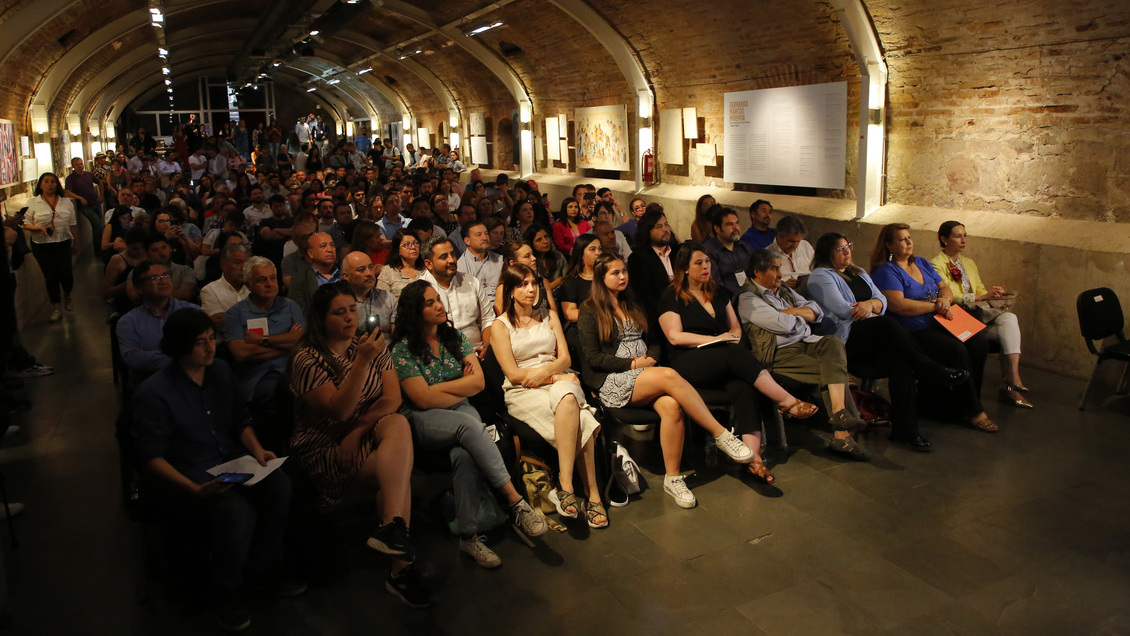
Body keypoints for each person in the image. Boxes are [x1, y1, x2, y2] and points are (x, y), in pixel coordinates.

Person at [132, 308, 303, 631]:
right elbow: (151, 457)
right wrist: (194, 489)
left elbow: (240, 421)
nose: (210, 348)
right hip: (189, 470)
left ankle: (262, 568)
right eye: (200, 343)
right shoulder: (155, 392)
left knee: (280, 485)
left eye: (212, 339)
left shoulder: (221, 372)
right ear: (181, 346)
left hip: (230, 457)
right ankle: (225, 589)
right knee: (234, 510)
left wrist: (258, 451)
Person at [391, 280, 548, 567]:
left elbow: (477, 383)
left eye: (438, 299)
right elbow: (421, 401)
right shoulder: (403, 349)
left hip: (460, 409)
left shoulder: (455, 338)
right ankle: (515, 501)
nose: (439, 305)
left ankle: (469, 536)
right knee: (469, 427)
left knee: (464, 454)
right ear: (414, 311)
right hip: (422, 419)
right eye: (429, 302)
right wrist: (455, 385)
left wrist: (436, 389)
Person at [287, 283, 424, 608]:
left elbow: (392, 398)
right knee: (396, 475)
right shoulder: (307, 358)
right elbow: (339, 410)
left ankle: (393, 531)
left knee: (399, 422)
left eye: (352, 309)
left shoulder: (368, 346)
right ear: (320, 319)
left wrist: (357, 432)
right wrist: (362, 361)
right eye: (340, 312)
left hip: (361, 437)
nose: (350, 317)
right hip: (326, 447)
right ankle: (400, 566)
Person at [579, 253, 750, 506]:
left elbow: (656, 341)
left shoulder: (633, 304)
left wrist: (649, 357)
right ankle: (721, 434)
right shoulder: (590, 310)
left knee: (672, 405)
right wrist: (633, 363)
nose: (623, 276)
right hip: (614, 380)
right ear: (601, 278)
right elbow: (593, 358)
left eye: (624, 270)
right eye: (615, 273)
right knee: (670, 374)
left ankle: (673, 479)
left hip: (647, 374)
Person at [658, 243, 819, 479]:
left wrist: (730, 337)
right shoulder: (671, 296)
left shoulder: (718, 292)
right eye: (699, 263)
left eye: (707, 262)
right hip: (687, 361)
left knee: (744, 385)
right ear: (684, 268)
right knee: (734, 355)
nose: (706, 267)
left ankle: (753, 459)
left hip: (722, 357)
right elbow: (675, 336)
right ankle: (786, 401)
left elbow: (735, 327)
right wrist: (716, 338)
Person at [807, 233, 968, 451]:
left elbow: (882, 300)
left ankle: (906, 431)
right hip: (845, 340)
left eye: (848, 246)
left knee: (901, 362)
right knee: (887, 324)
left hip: (871, 333)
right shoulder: (820, 275)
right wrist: (870, 307)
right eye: (840, 249)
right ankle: (931, 369)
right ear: (827, 253)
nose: (847, 252)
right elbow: (843, 310)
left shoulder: (859, 272)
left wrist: (869, 305)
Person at [491, 265, 607, 528]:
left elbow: (564, 357)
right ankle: (593, 495)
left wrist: (551, 374)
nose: (531, 289)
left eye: (534, 283)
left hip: (557, 378)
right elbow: (514, 373)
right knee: (582, 419)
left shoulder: (549, 315)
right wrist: (556, 376)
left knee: (567, 397)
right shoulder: (500, 326)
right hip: (524, 391)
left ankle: (564, 485)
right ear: (509, 290)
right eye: (523, 285)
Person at [737, 250, 869, 460]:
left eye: (780, 268)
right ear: (757, 272)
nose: (781, 274)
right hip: (779, 354)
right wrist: (801, 317)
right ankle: (842, 433)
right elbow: (784, 324)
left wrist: (794, 314)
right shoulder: (747, 298)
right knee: (832, 371)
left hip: (806, 342)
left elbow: (816, 311)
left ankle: (840, 416)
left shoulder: (783, 292)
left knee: (833, 343)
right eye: (775, 268)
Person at [870, 223, 996, 433]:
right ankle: (974, 410)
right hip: (915, 327)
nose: (909, 242)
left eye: (909, 237)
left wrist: (945, 302)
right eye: (902, 239)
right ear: (889, 245)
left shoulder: (920, 262)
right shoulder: (886, 271)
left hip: (943, 316)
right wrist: (934, 306)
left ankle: (966, 402)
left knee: (979, 341)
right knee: (957, 351)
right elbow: (898, 305)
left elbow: (944, 287)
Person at [930, 221, 1031, 408]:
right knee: (1006, 327)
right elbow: (949, 296)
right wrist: (982, 296)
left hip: (978, 312)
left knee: (1010, 318)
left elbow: (980, 290)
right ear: (944, 239)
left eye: (965, 236)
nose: (963, 240)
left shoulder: (969, 263)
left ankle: (1012, 377)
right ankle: (1010, 387)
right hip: (957, 316)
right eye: (958, 236)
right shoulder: (936, 264)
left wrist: (992, 293)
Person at [225, 257, 305, 416]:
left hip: (295, 369)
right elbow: (241, 353)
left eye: (273, 278)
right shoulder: (235, 313)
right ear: (248, 285)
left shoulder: (290, 306)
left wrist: (263, 340)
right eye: (262, 280)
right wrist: (288, 341)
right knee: (280, 394)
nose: (270, 284)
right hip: (259, 376)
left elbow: (304, 340)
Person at [116, 260, 199, 388]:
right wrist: (182, 359)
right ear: (139, 288)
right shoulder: (128, 322)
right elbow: (132, 358)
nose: (163, 281)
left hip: (189, 383)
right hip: (148, 388)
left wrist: (148, 355)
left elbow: (202, 350)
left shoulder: (193, 312)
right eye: (155, 278)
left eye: (166, 275)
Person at [420, 236, 495, 356]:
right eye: (444, 257)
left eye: (453, 254)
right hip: (440, 358)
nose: (452, 260)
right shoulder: (419, 290)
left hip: (477, 352)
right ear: (429, 264)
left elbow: (488, 318)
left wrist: (486, 348)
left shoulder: (471, 282)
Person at [22, 173, 79, 322]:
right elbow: (25, 223)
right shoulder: (33, 203)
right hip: (42, 245)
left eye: (53, 181)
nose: (50, 184)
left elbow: (72, 223)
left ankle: (67, 293)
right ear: (40, 185)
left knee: (66, 273)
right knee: (51, 276)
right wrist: (39, 229)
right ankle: (56, 307)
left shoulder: (66, 202)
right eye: (46, 181)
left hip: (63, 241)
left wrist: (75, 241)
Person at [628, 208, 679, 323]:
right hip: (658, 316)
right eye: (659, 226)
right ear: (647, 231)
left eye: (666, 224)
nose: (665, 229)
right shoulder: (638, 258)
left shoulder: (678, 252)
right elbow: (644, 298)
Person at [199, 243, 251, 337]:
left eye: (246, 263)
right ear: (223, 265)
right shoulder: (210, 290)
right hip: (225, 344)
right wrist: (257, 315)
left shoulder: (255, 287)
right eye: (238, 263)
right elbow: (219, 323)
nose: (243, 268)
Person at [702, 205, 752, 300]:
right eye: (730, 224)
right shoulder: (708, 251)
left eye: (737, 223)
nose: (735, 227)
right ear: (717, 228)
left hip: (752, 295)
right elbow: (716, 285)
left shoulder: (743, 246)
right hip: (730, 299)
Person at [342, 252, 396, 336]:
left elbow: (396, 337)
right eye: (361, 269)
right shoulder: (339, 303)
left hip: (385, 347)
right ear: (346, 276)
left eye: (370, 267)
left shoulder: (388, 298)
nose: (369, 273)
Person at [286, 231, 340, 314]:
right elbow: (298, 313)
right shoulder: (299, 279)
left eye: (332, 245)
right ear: (311, 253)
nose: (330, 250)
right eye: (323, 246)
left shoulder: (346, 272)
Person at [456, 221, 503, 307]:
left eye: (486, 234)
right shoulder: (460, 267)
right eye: (479, 235)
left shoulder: (500, 260)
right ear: (467, 241)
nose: (484, 238)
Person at [102, 227, 147, 315]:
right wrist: (127, 284)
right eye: (134, 249)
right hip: (125, 309)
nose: (139, 252)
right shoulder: (117, 260)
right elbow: (106, 292)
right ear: (126, 244)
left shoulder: (149, 256)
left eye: (142, 248)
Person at [64, 157, 103, 257]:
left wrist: (101, 195)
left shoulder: (89, 174)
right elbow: (67, 192)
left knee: (99, 226)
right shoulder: (70, 178)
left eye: (81, 164)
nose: (80, 166)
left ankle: (101, 246)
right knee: (97, 224)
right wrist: (80, 198)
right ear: (73, 166)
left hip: (95, 203)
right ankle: (98, 249)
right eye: (77, 164)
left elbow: (100, 182)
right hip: (85, 206)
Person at [766, 215, 815, 286]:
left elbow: (816, 269)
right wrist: (783, 285)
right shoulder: (767, 255)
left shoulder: (805, 246)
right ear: (779, 236)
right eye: (791, 241)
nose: (795, 245)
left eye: (798, 241)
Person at [376, 231, 426, 300]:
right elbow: (381, 300)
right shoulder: (388, 271)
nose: (413, 247)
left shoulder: (426, 269)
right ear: (397, 249)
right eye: (407, 244)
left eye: (416, 243)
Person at [524, 224, 566, 290]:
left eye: (546, 236)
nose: (545, 241)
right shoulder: (529, 261)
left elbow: (568, 278)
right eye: (539, 240)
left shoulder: (558, 256)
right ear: (531, 243)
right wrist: (555, 283)